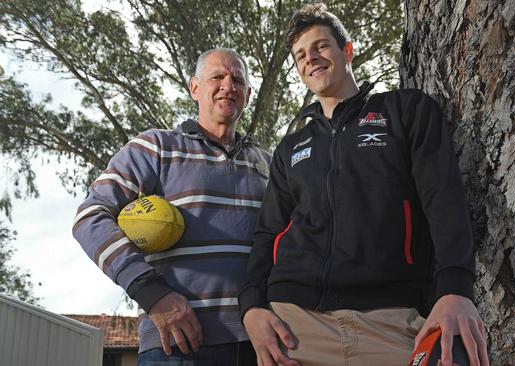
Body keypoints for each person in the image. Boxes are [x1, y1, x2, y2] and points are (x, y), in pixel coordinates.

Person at [239, 4, 489, 366]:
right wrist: (251, 309)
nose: (311, 58)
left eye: (321, 46)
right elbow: (268, 235)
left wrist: (455, 291)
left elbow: (444, 200)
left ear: (347, 51)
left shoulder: (406, 111)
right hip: (295, 324)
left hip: (392, 320)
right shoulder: (291, 147)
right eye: (300, 56)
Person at [73, 48, 270, 366]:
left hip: (255, 344)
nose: (227, 85)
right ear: (195, 88)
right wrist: (152, 293)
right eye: (217, 77)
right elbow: (90, 216)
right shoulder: (155, 146)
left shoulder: (266, 162)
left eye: (237, 79)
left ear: (247, 94)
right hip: (176, 345)